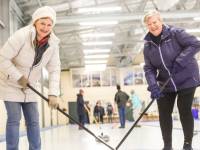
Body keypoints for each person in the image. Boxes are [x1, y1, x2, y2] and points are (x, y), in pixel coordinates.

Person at [0, 6, 60, 150]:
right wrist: (18, 76)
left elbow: (55, 69)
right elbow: (2, 58)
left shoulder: (53, 44)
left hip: (31, 86)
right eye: (42, 23)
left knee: (33, 121)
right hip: (11, 83)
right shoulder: (22, 35)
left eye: (49, 25)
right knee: (14, 119)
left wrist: (53, 93)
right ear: (35, 22)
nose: (45, 28)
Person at [143, 10, 200, 150]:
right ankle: (167, 146)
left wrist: (181, 60)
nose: (153, 26)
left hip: (187, 78)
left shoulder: (176, 33)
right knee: (163, 112)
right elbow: (149, 68)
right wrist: (153, 85)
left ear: (160, 21)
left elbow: (195, 44)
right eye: (149, 24)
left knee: (184, 109)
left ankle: (187, 144)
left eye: (154, 22)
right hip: (166, 82)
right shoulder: (148, 46)